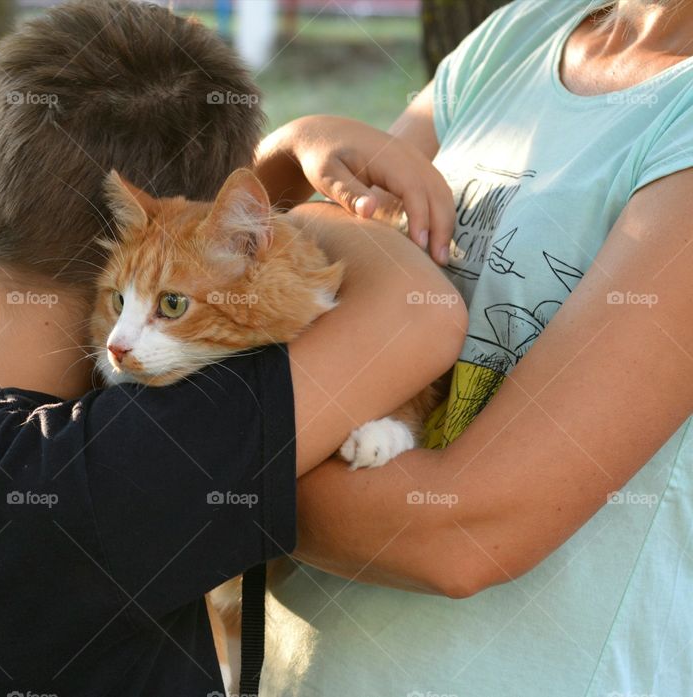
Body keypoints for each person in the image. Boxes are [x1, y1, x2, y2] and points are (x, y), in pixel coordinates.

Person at [0, 1, 464, 695]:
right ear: (131, 266)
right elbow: (416, 316)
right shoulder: (120, 469)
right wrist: (303, 147)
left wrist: (228, 214)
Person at [252, 0, 693, 695]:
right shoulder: (522, 32)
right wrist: (287, 152)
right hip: (299, 668)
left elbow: (466, 530)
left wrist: (186, 481)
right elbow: (304, 281)